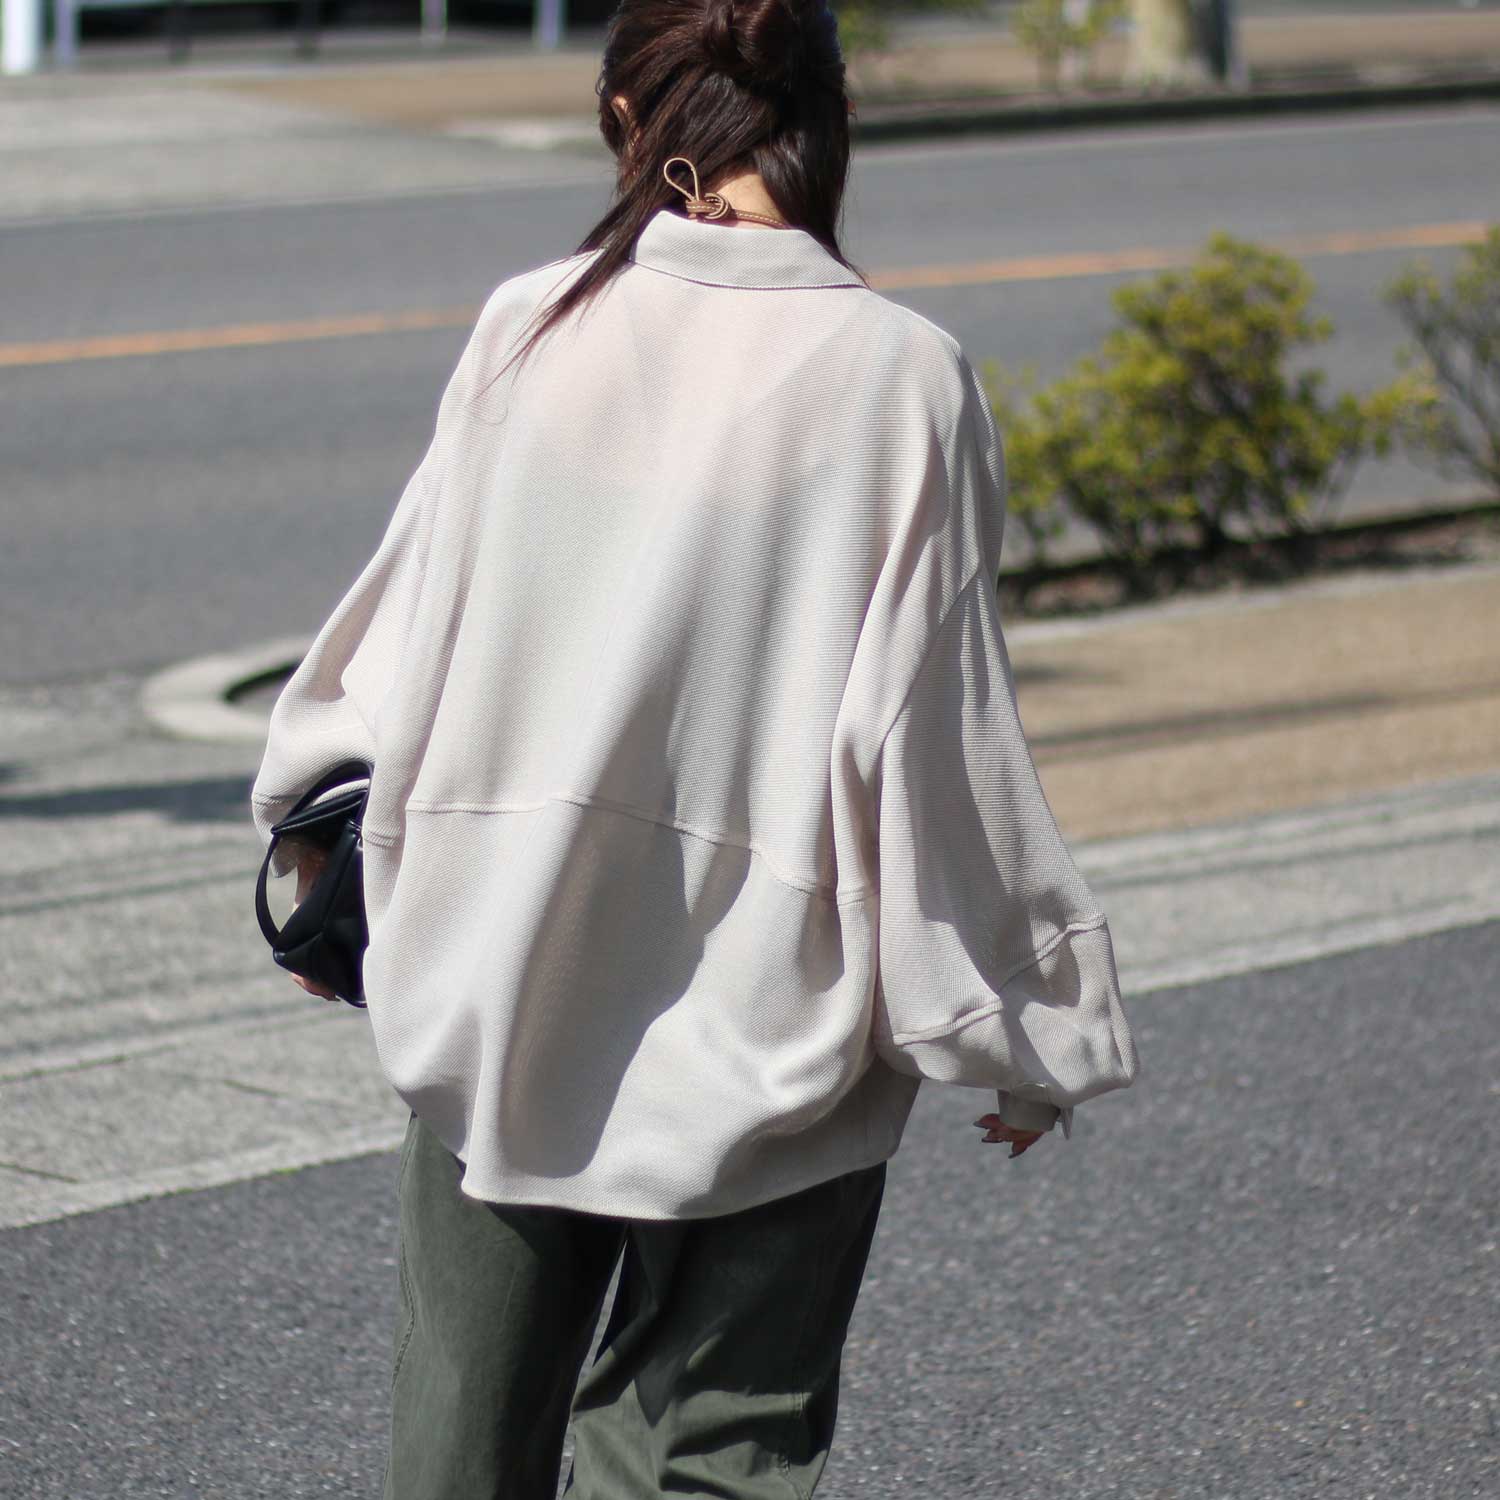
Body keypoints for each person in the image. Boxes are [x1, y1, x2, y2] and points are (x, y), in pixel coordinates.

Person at [249, 0, 1142, 1494]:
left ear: (629, 119)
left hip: (504, 979)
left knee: (459, 1453)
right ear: (825, 120)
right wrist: (1025, 1021)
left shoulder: (534, 324)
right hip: (770, 1018)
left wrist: (315, 850)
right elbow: (935, 743)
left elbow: (401, 637)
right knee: (710, 1458)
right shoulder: (900, 375)